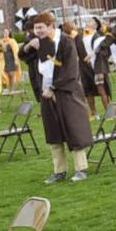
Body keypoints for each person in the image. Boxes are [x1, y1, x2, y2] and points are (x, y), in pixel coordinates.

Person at [21, 12, 94, 184]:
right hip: (46, 95)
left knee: (73, 130)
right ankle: (59, 171)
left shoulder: (65, 41)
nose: (37, 31)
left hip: (66, 93)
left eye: (40, 28)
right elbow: (24, 57)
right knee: (54, 133)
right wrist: (28, 46)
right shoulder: (39, 43)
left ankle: (81, 169)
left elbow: (70, 70)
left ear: (51, 26)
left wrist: (54, 87)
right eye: (35, 28)